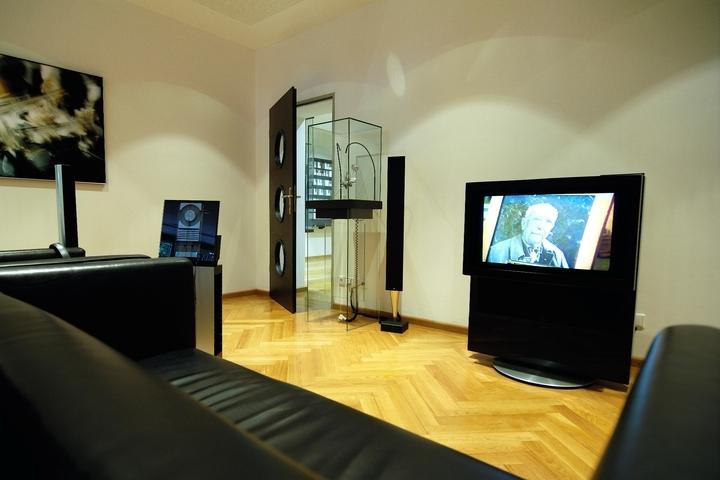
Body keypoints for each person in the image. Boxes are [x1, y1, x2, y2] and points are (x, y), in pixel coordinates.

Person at [487, 202, 569, 268]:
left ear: (551, 228)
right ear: (524, 223)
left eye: (548, 222)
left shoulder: (558, 255)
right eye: (536, 219)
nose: (541, 227)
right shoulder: (496, 252)